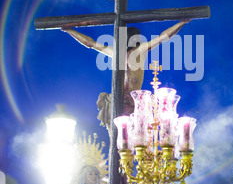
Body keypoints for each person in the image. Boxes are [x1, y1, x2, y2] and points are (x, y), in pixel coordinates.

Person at [62, 20, 190, 128]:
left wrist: (182, 23)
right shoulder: (116, 53)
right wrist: (69, 31)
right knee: (117, 139)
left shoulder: (140, 50)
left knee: (130, 140)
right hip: (116, 101)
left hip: (133, 102)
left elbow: (164, 37)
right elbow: (89, 43)